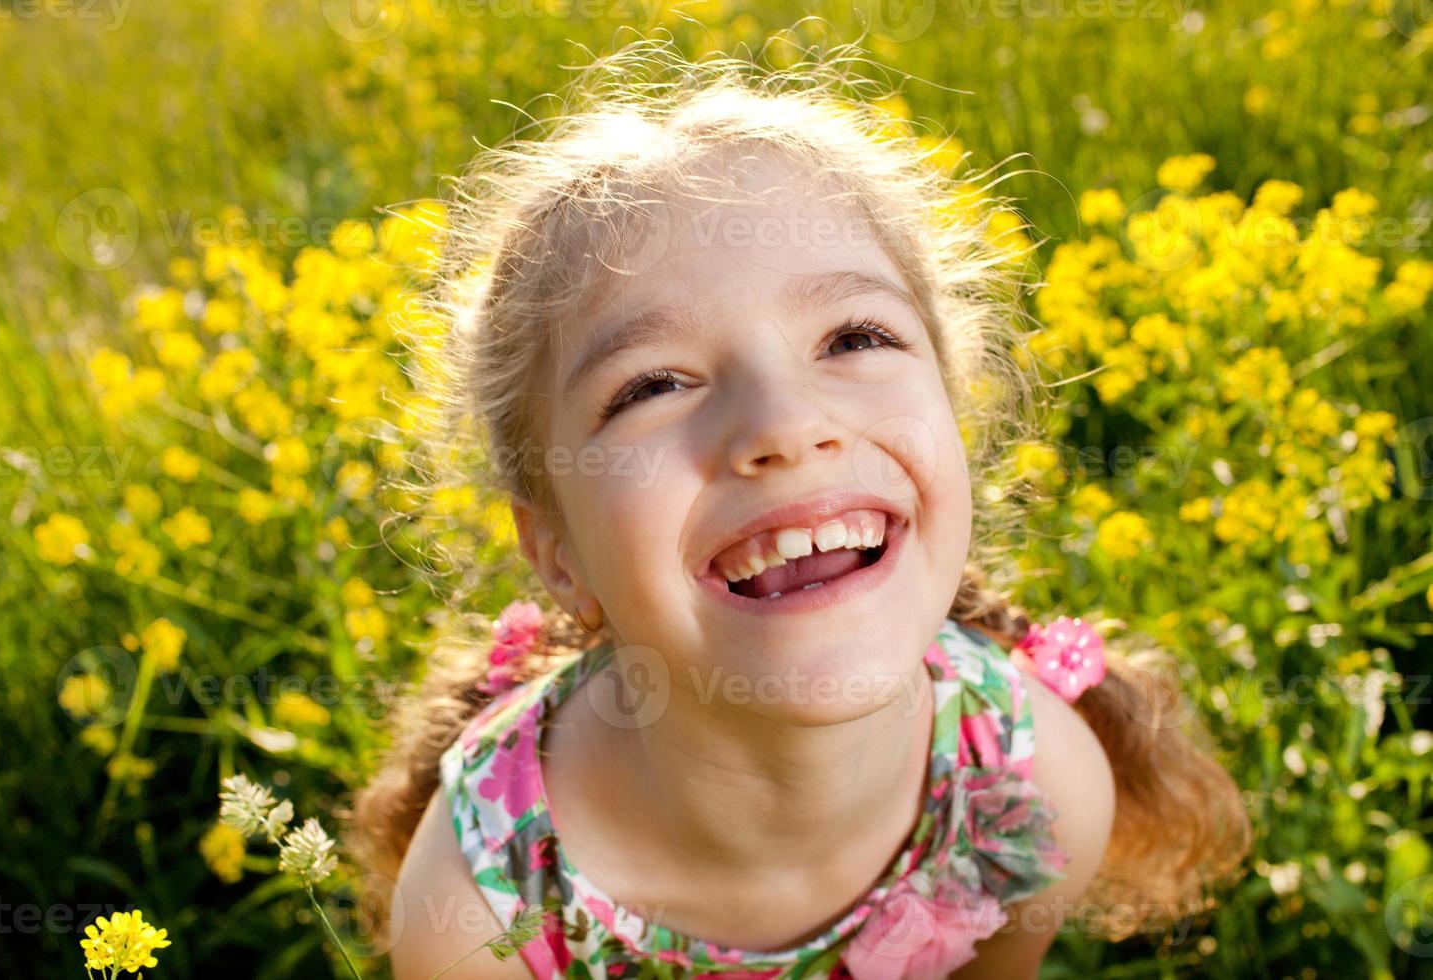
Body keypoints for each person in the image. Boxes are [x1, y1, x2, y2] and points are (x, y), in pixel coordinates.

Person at [348, 33, 1251, 979]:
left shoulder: (1035, 787)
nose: (785, 424)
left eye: (855, 335)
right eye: (653, 385)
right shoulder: (476, 916)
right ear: (559, 552)